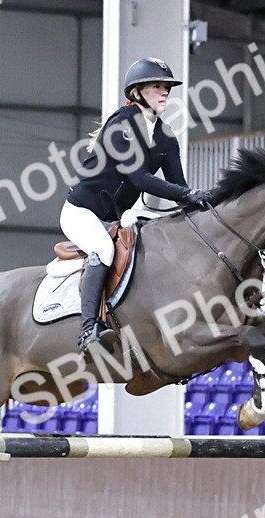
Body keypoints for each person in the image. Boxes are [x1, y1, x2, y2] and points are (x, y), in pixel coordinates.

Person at [62, 57, 211, 353]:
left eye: (167, 87)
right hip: (82, 213)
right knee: (103, 249)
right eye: (157, 86)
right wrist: (189, 193)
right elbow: (140, 179)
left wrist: (201, 203)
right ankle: (88, 329)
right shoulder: (121, 123)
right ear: (137, 92)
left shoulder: (165, 136)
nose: (165, 92)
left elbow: (177, 185)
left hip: (115, 218)